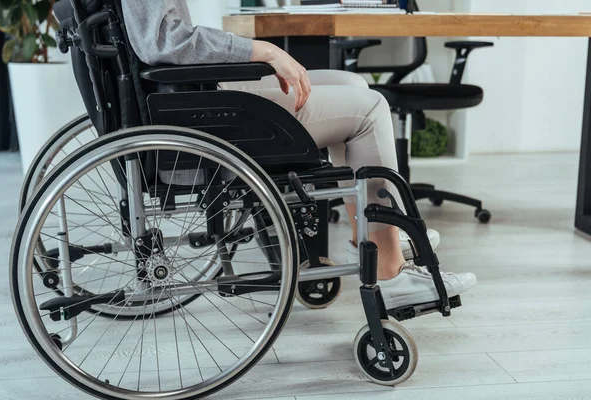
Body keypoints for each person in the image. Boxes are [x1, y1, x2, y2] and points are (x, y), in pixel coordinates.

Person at [120, 0, 476, 308]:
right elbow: (166, 41)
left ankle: (374, 235)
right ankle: (390, 271)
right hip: (192, 114)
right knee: (369, 110)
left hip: (184, 96)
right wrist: (265, 51)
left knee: (352, 84)